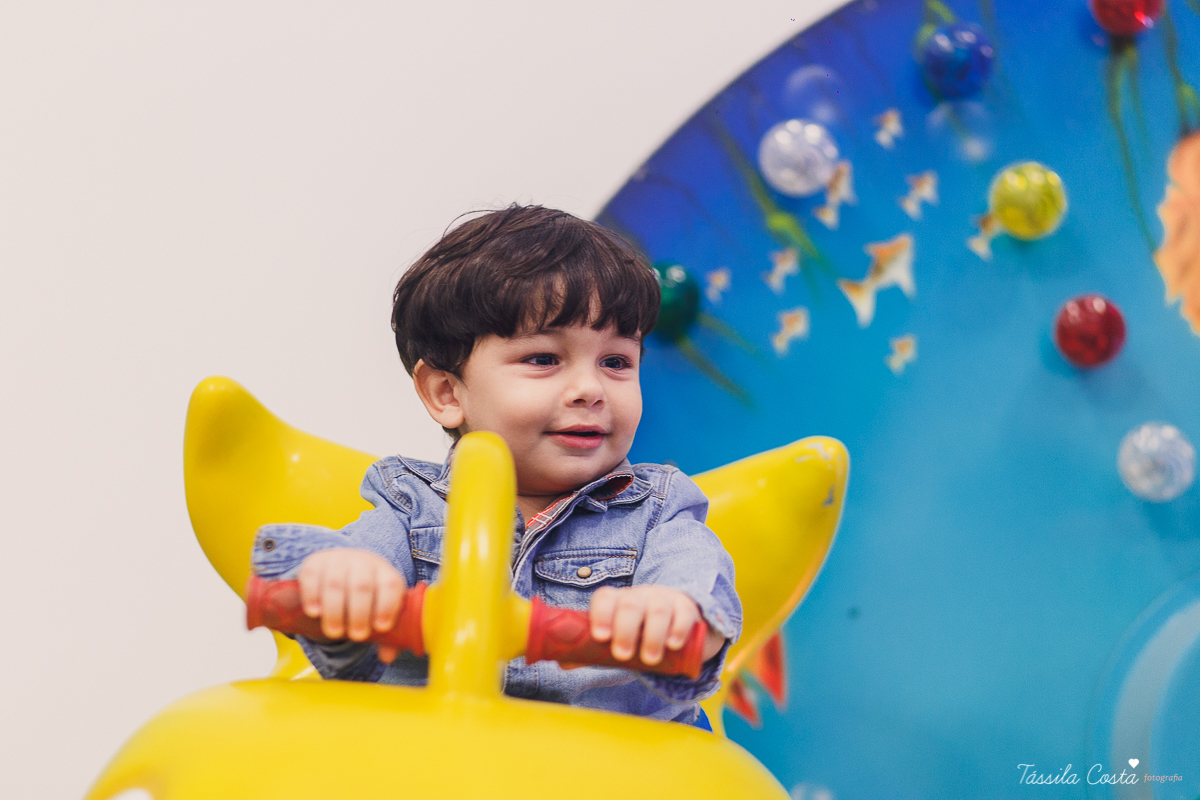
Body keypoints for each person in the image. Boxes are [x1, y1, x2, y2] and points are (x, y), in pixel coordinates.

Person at [250, 204, 742, 728]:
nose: (590, 390)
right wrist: (341, 577)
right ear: (446, 392)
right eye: (544, 359)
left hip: (609, 771)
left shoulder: (657, 510)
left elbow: (700, 593)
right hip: (443, 763)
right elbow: (347, 574)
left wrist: (674, 615)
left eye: (616, 362)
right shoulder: (411, 506)